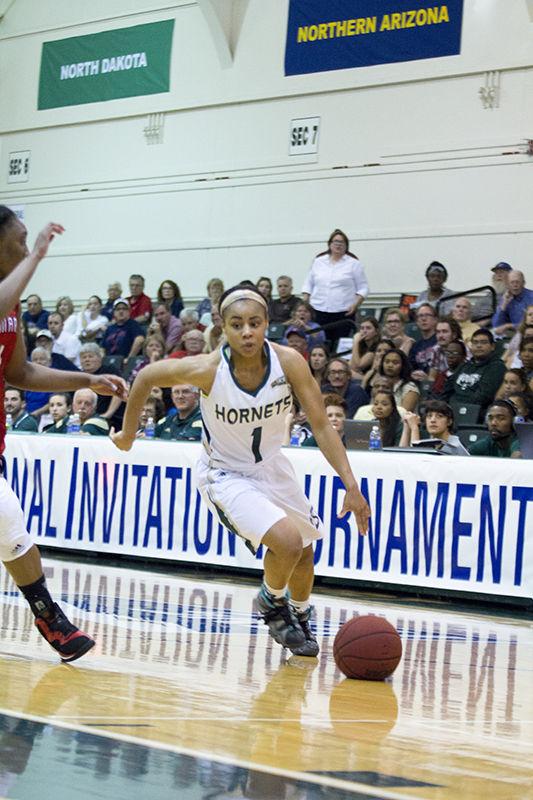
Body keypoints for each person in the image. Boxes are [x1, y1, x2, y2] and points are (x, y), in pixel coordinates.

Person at [112, 282, 370, 658]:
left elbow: (321, 424)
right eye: (237, 324)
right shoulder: (207, 369)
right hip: (224, 473)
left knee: (306, 553)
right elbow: (147, 377)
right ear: (223, 327)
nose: (247, 332)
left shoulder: (290, 362)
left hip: (271, 465)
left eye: (255, 323)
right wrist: (129, 433)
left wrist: (351, 484)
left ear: (267, 323)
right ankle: (270, 601)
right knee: (286, 541)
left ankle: (298, 613)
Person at [0, 206, 127, 661]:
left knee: (12, 534)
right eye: (18, 241)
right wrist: (35, 257)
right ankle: (51, 616)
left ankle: (48, 618)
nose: (25, 247)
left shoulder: (11, 308)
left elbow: (20, 372)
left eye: (26, 241)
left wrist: (84, 380)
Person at [301, 229, 368, 344]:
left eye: (342, 242)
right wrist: (305, 302)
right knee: (319, 344)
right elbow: (308, 284)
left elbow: (363, 288)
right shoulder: (318, 262)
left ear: (346, 246)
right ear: (329, 244)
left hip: (343, 313)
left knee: (339, 345)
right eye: (335, 241)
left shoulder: (354, 264)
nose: (338, 245)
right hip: (318, 311)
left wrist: (356, 304)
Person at [442, 328, 506, 420]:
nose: (479, 345)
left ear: (492, 346)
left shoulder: (497, 367)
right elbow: (447, 389)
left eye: (483, 342)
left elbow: (483, 396)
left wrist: (455, 405)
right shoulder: (465, 365)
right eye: (475, 342)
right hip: (453, 410)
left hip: (475, 413)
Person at [400, 401, 469, 455]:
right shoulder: (430, 442)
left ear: (449, 422)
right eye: (429, 416)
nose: (433, 420)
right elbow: (402, 455)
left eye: (439, 416)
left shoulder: (454, 446)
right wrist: (406, 426)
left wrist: (414, 428)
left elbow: (417, 461)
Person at [492, 270, 533, 334]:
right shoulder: (506, 298)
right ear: (507, 284)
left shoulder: (531, 297)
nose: (515, 285)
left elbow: (530, 324)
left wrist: (509, 326)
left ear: (523, 283)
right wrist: (504, 305)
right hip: (517, 336)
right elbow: (496, 325)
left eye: (517, 282)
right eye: (512, 282)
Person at [408, 303, 437, 379]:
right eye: (420, 316)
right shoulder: (415, 346)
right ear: (417, 321)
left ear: (435, 320)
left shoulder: (440, 341)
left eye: (427, 315)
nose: (424, 319)